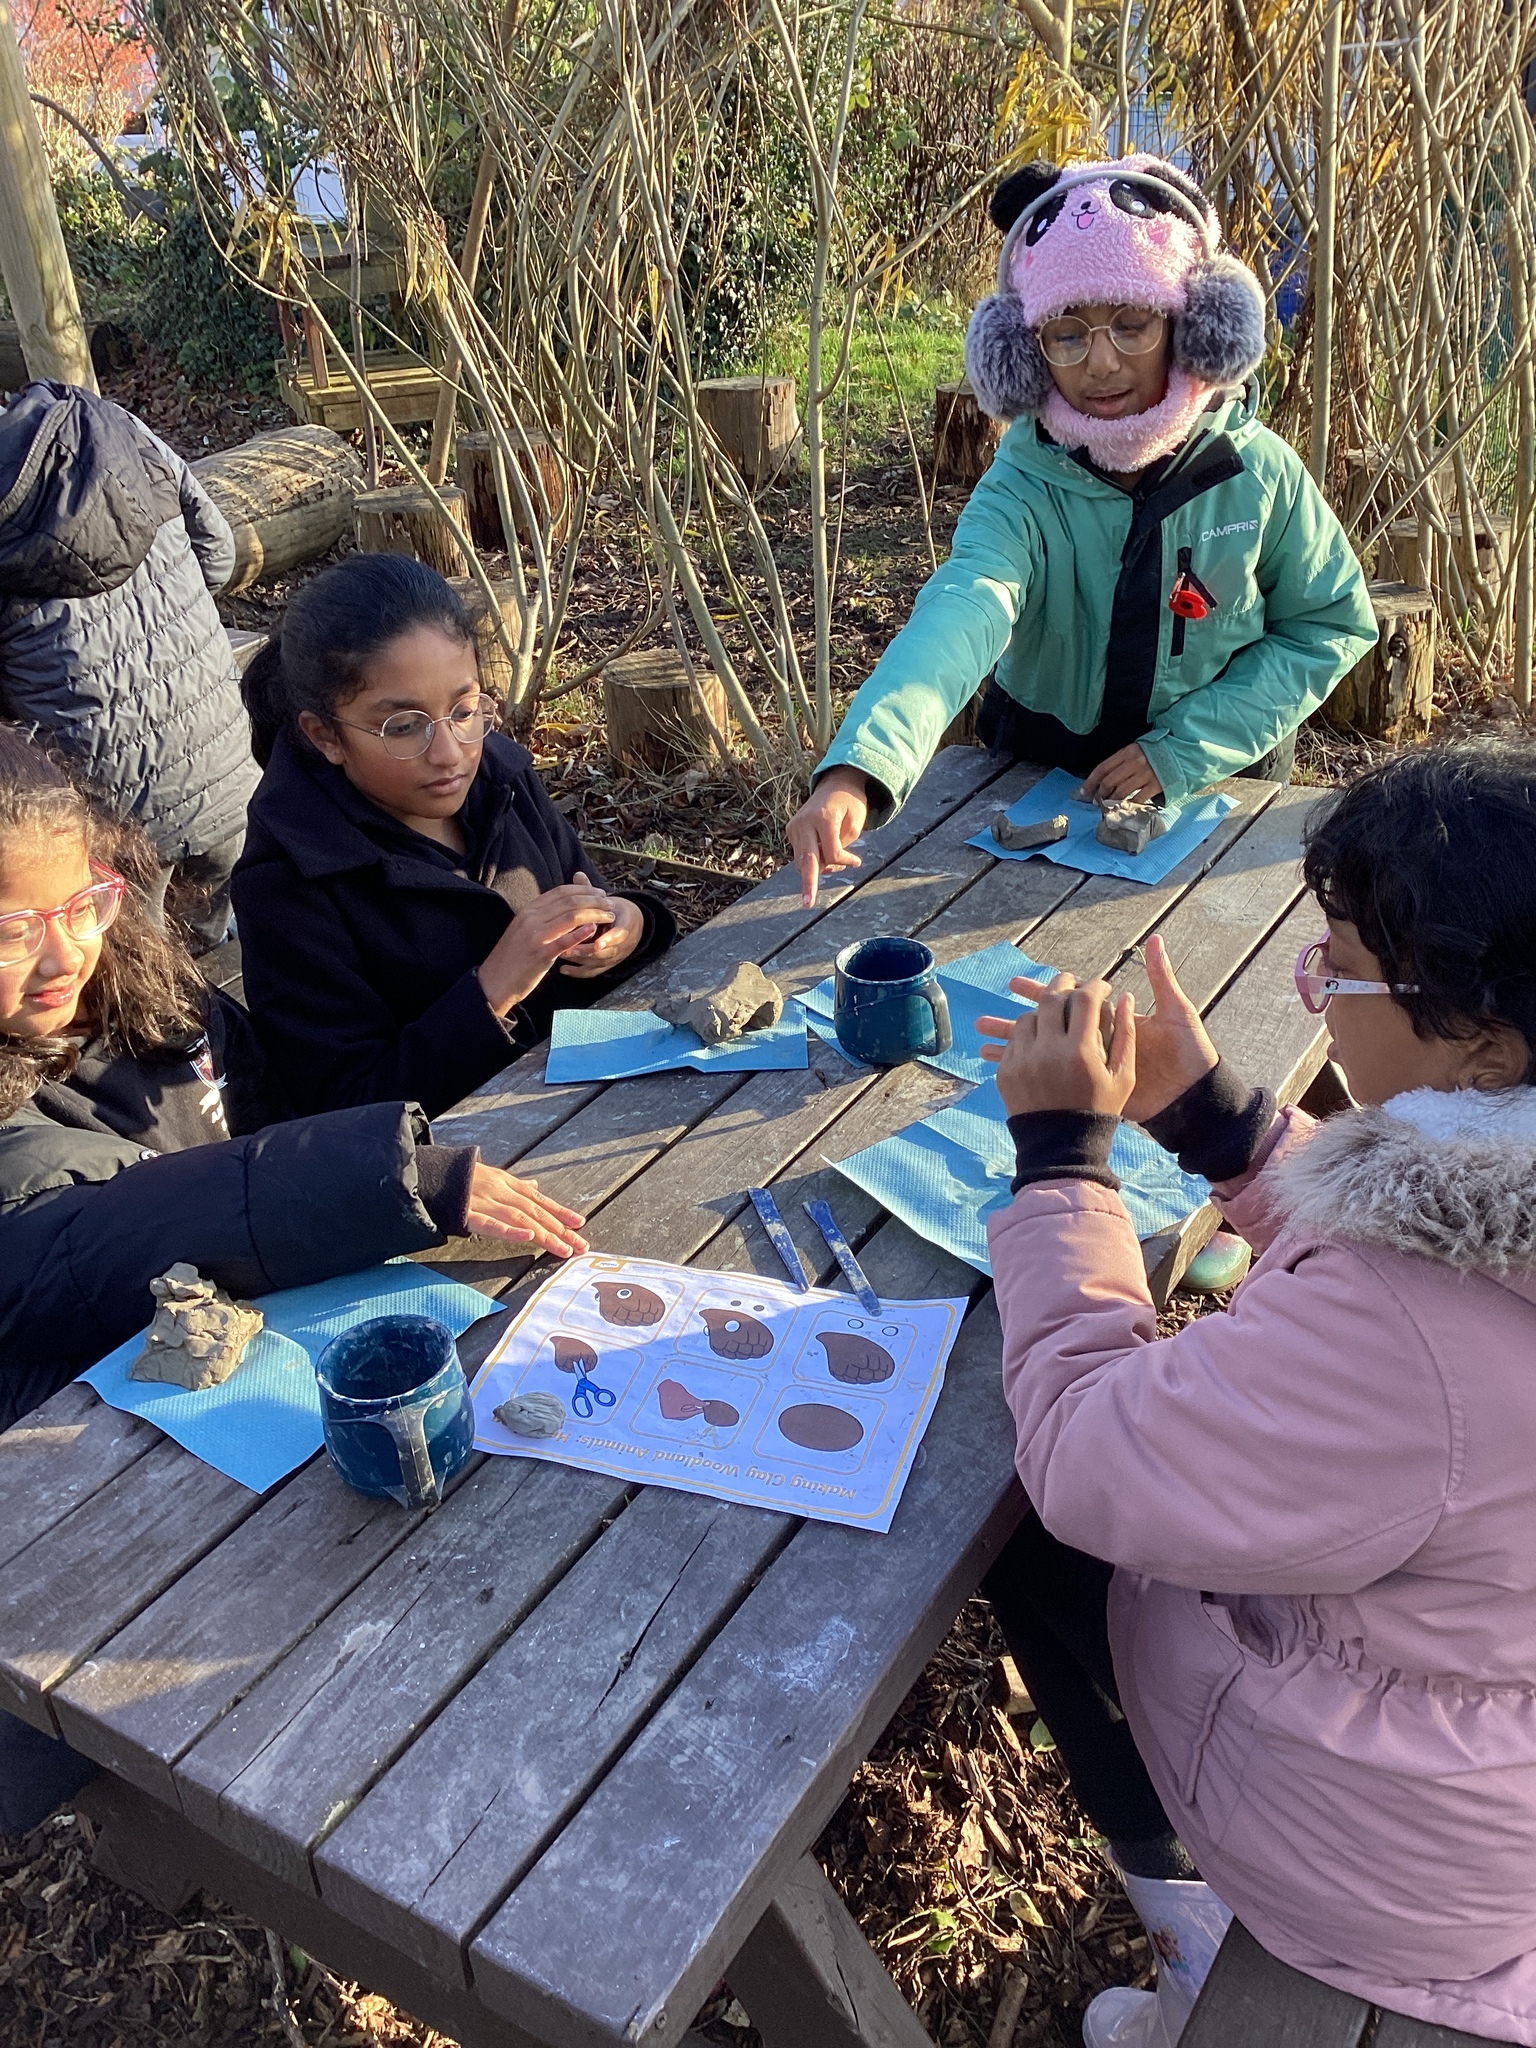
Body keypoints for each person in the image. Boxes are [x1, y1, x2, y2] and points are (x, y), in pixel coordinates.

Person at [975, 740, 1536, 2046]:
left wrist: (1060, 1159)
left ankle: (1193, 1941)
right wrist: (1220, 1122)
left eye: (1338, 970)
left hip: (1397, 1866)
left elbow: (1086, 1455)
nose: (1318, 995)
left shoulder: (1404, 1332)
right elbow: (1436, 1254)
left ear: (1487, 1046)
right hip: (1482, 1763)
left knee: (1037, 1545)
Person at [0, 724, 592, 1832]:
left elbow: (282, 1109)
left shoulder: (149, 998)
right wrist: (391, 1175)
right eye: (11, 929)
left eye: (83, 902)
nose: (62, 951)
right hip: (91, 1532)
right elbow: (105, 1231)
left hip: (263, 1390)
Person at [787, 154, 1378, 906]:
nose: (1099, 363)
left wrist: (1180, 751)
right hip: (1037, 770)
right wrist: (858, 768)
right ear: (1022, 348)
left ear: (1194, 324)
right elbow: (964, 609)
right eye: (1066, 334)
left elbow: (1327, 624)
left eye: (1132, 324)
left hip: (1221, 779)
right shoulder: (1023, 483)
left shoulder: (1256, 473)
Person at [232, 554, 677, 1120]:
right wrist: (491, 993)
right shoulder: (290, 880)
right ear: (326, 737)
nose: (449, 753)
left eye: (465, 710)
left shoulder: (498, 775)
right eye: (404, 726)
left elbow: (591, 897)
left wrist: (629, 927)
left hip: (598, 1107)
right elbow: (346, 1109)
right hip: (477, 1156)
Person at [0, 379, 257, 950]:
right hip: (227, 767)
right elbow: (219, 556)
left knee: (140, 963)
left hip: (116, 814)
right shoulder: (116, 429)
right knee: (214, 939)